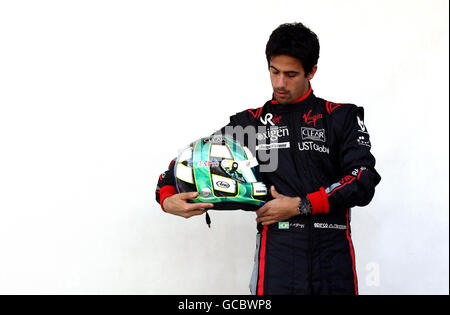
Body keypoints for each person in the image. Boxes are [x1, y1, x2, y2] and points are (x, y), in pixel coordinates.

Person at [155, 22, 381, 295]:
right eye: (274, 72)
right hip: (278, 256)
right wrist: (167, 197)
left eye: (291, 74)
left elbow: (363, 177)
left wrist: (303, 205)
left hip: (333, 256)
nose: (279, 83)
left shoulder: (340, 116)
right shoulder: (250, 124)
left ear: (312, 71)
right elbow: (191, 159)